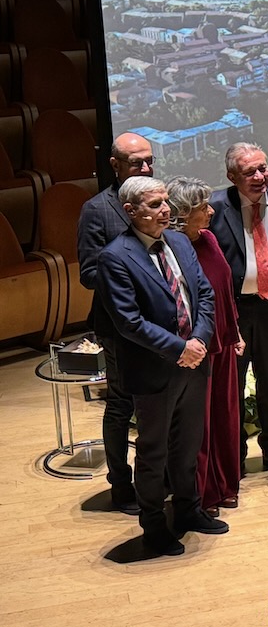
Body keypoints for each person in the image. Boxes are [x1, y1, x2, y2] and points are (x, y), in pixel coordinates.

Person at [97, 176, 223, 557]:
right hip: (155, 370)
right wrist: (180, 349)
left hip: (193, 362)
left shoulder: (180, 242)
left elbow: (204, 293)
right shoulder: (115, 257)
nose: (166, 210)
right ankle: (153, 526)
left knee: (188, 445)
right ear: (130, 211)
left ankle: (188, 510)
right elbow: (129, 322)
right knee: (153, 454)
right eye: (155, 205)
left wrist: (199, 340)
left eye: (166, 201)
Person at [209, 142, 268, 481]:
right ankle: (234, 456)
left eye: (263, 168)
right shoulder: (215, 208)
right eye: (250, 172)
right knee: (232, 388)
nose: (260, 177)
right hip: (234, 313)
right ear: (232, 176)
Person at [76, 131, 156, 514]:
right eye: (137, 163)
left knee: (156, 404)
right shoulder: (97, 210)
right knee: (122, 405)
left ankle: (155, 478)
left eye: (150, 161)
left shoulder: (158, 200)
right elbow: (89, 274)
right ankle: (121, 485)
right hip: (120, 328)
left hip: (160, 326)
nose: (146, 168)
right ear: (115, 165)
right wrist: (135, 277)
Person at [167, 176, 244, 516]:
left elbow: (224, 290)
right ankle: (202, 493)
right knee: (198, 426)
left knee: (226, 419)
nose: (211, 211)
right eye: (203, 207)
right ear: (183, 213)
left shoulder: (209, 238)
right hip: (195, 349)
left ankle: (225, 485)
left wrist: (235, 332)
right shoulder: (171, 250)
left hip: (222, 344)